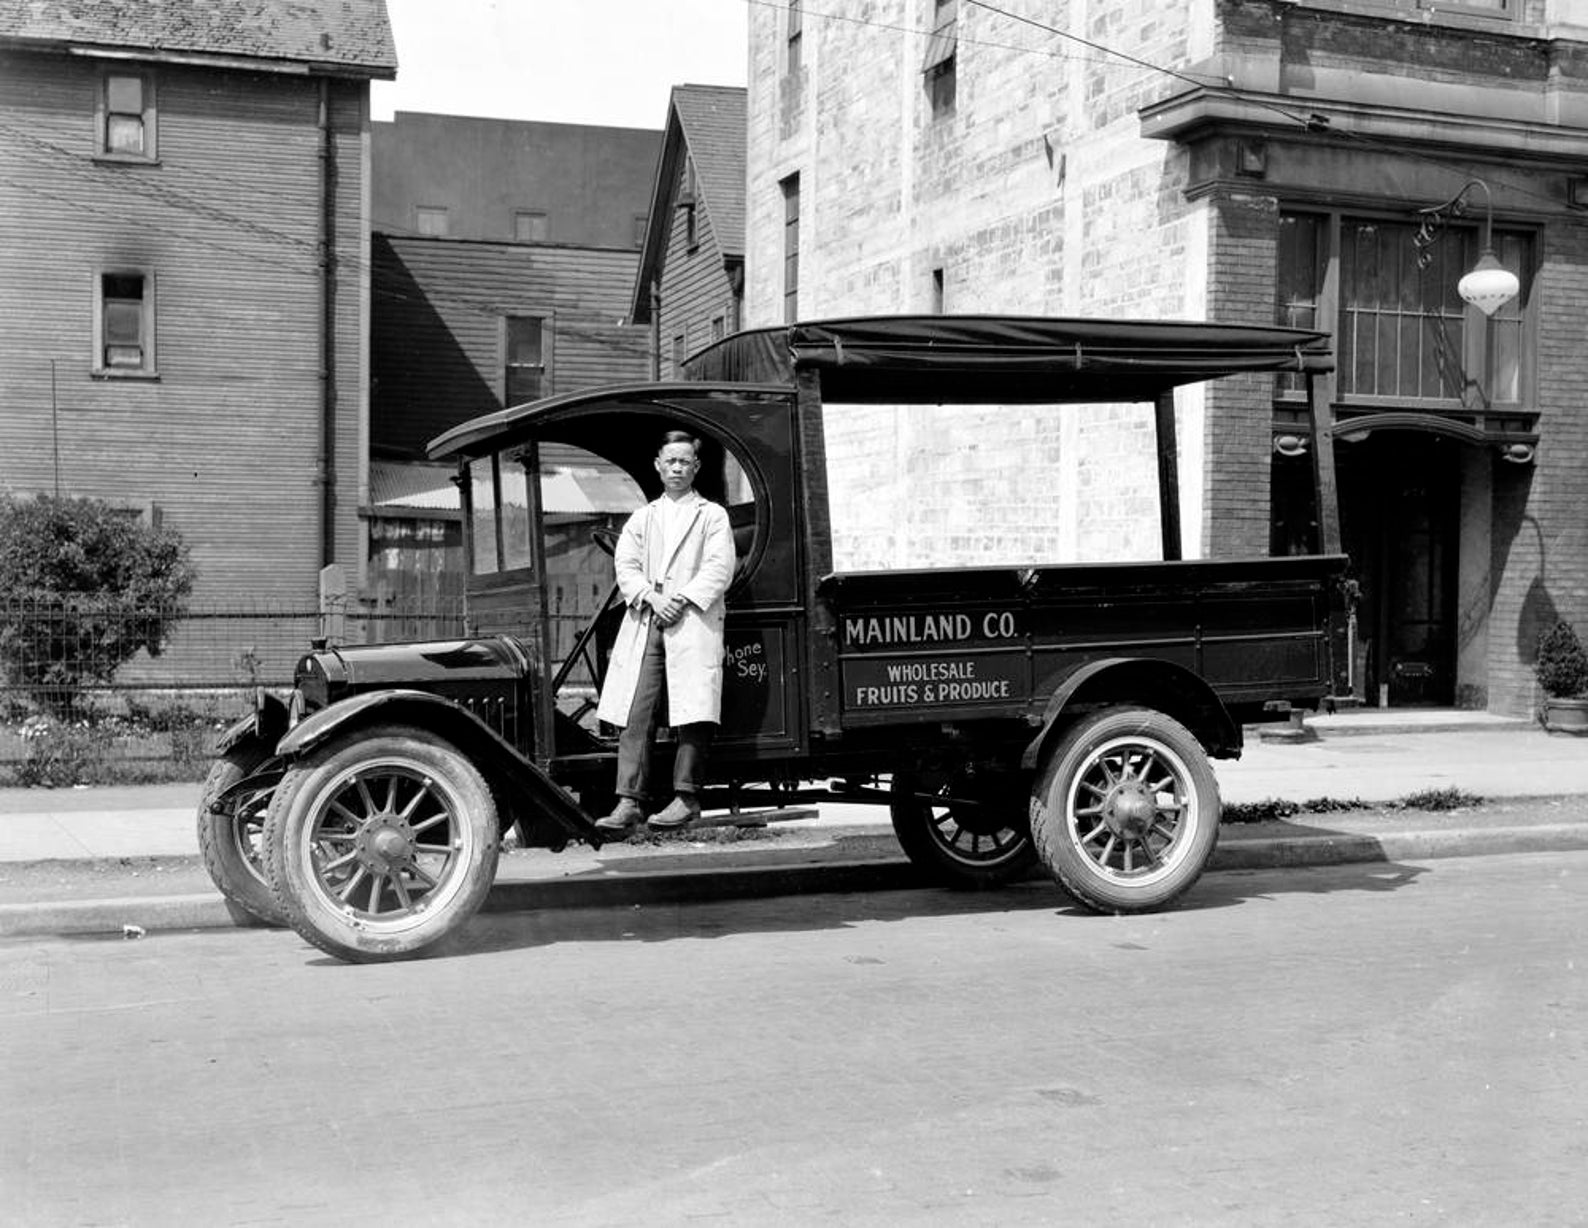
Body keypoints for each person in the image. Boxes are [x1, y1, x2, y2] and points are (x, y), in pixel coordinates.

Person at [594, 430, 736, 831]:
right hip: (648, 621)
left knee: (692, 711)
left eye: (684, 461)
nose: (677, 468)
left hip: (691, 622)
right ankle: (628, 802)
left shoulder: (712, 515)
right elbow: (626, 566)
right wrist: (652, 598)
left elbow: (719, 568)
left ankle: (686, 797)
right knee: (636, 710)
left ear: (696, 467)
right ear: (658, 466)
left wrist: (683, 599)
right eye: (670, 461)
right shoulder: (643, 518)